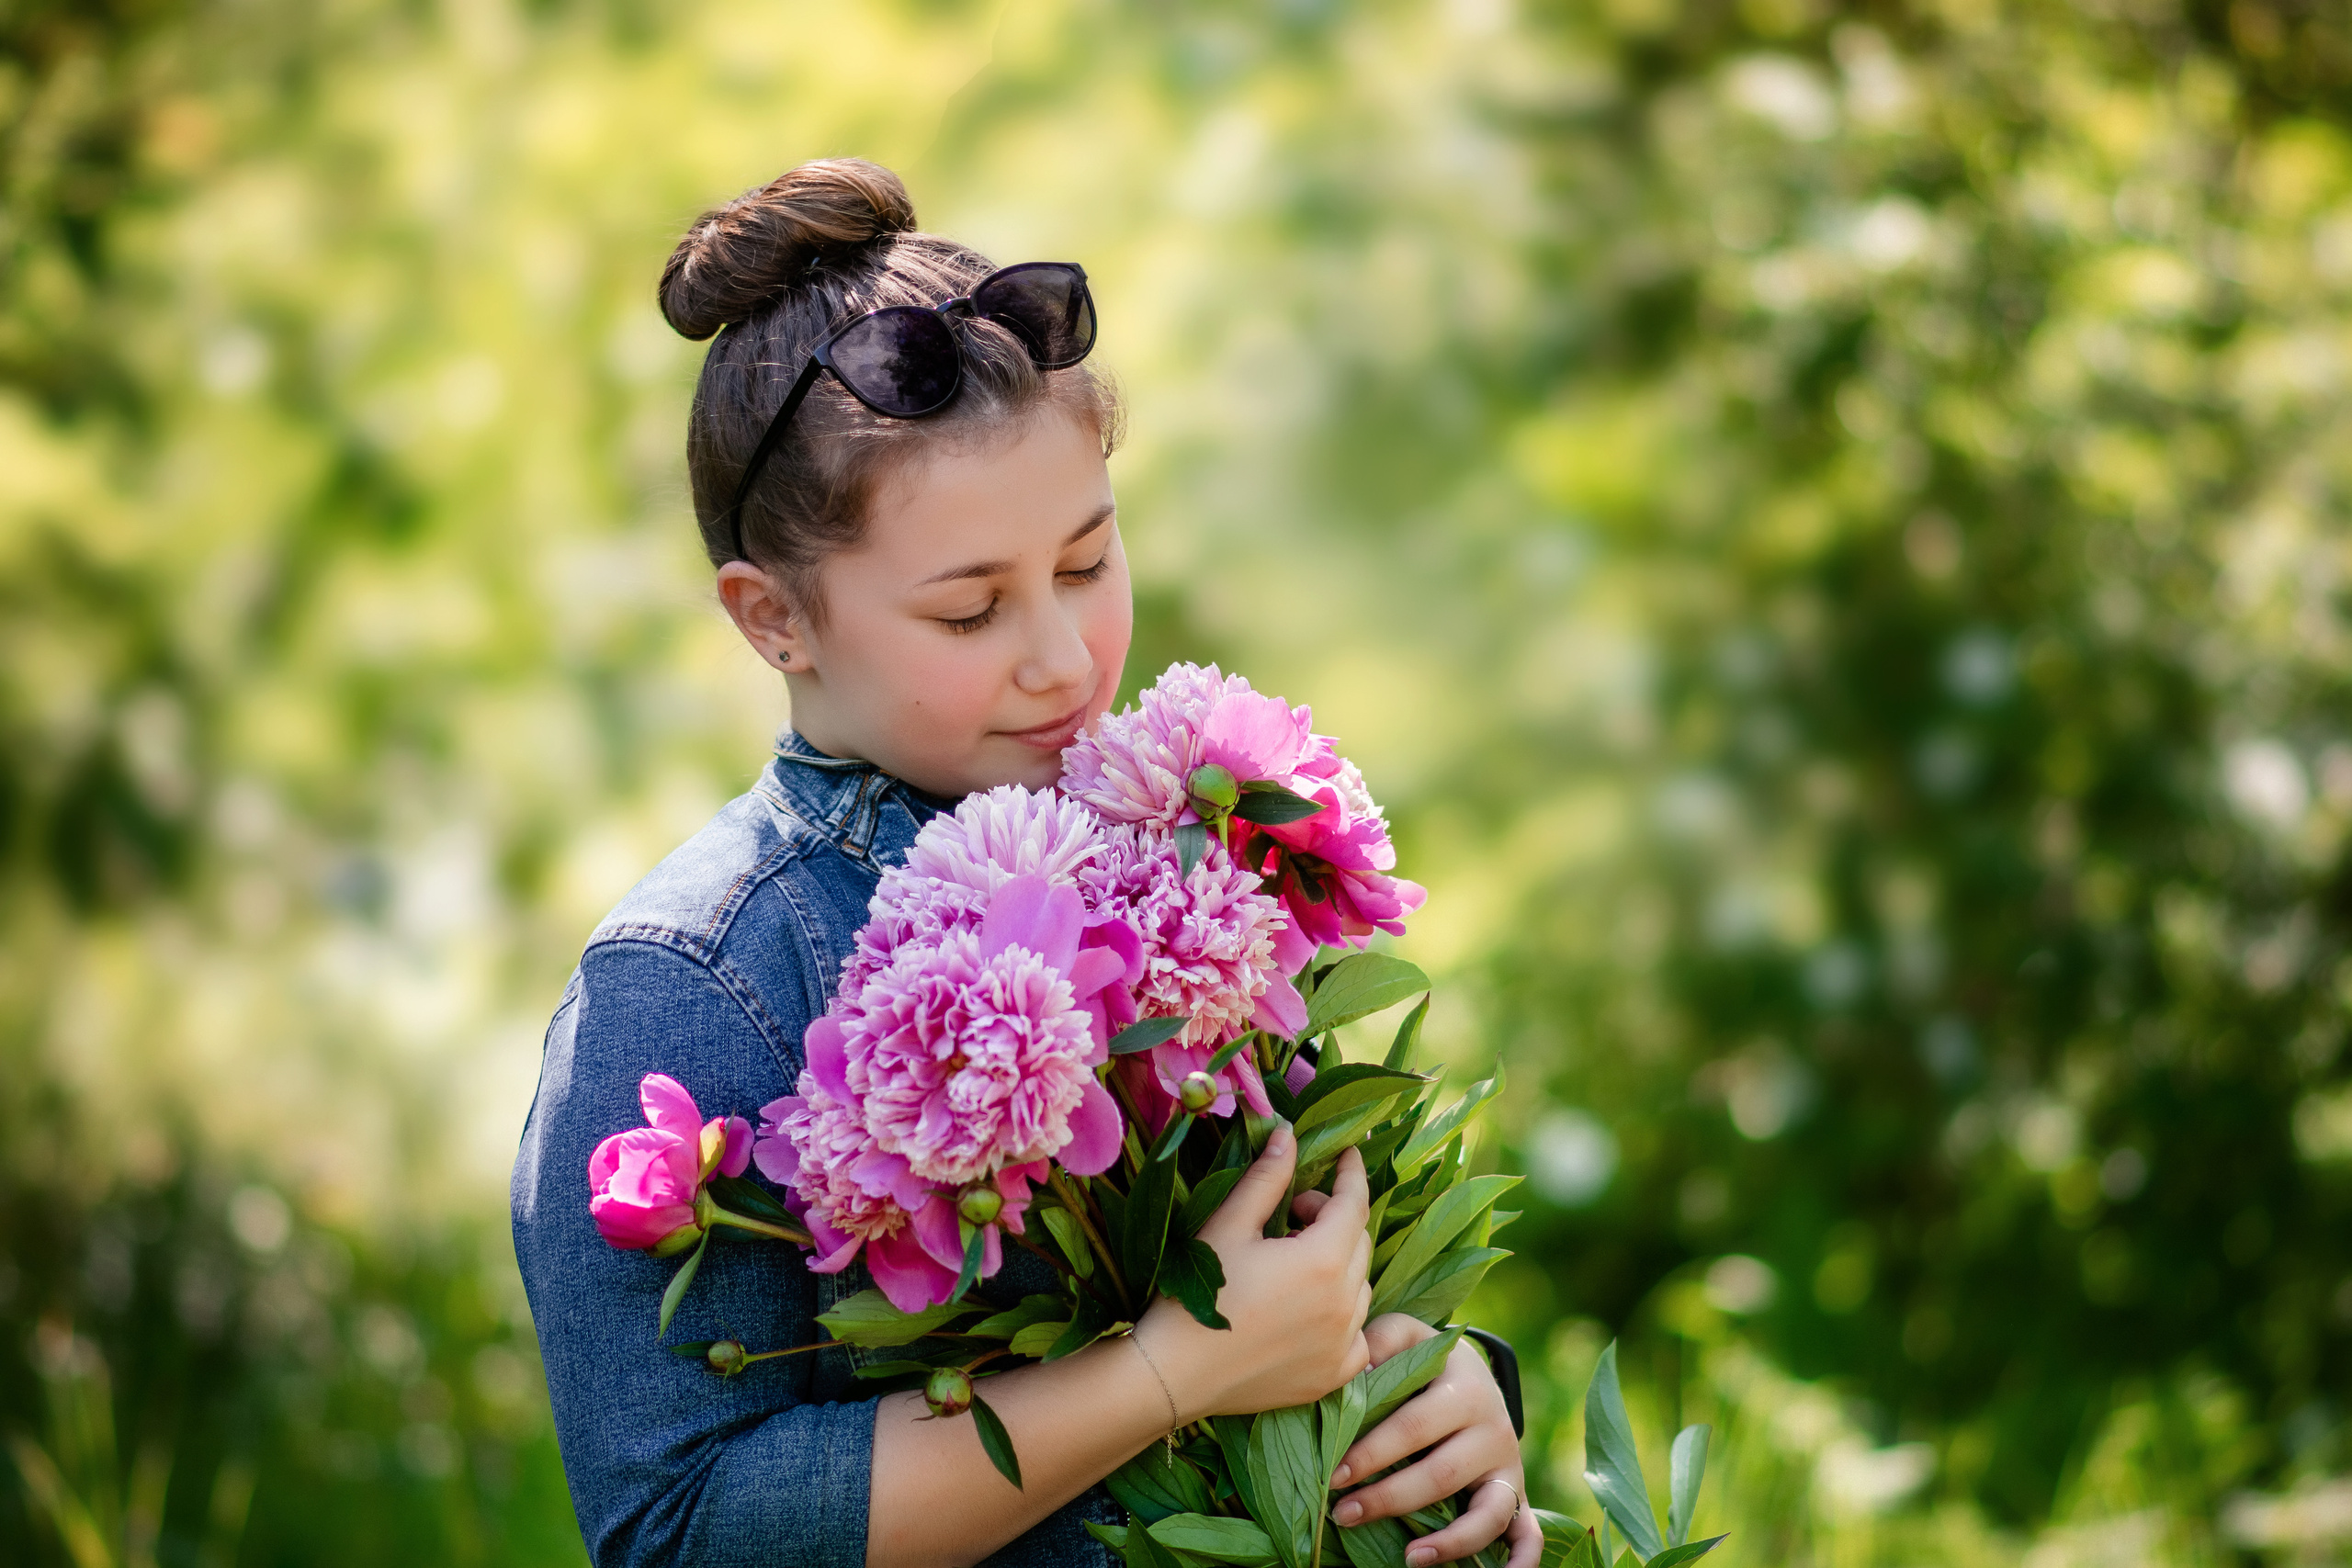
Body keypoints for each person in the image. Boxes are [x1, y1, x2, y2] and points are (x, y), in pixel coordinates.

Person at [510, 157, 1535, 1568]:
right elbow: (680, 1530)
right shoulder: (694, 983)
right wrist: (1170, 1373)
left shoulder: (1181, 848)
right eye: (969, 611)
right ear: (772, 620)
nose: (1062, 660)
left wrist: (1449, 1385)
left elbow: (1305, 1259)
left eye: (1087, 564)